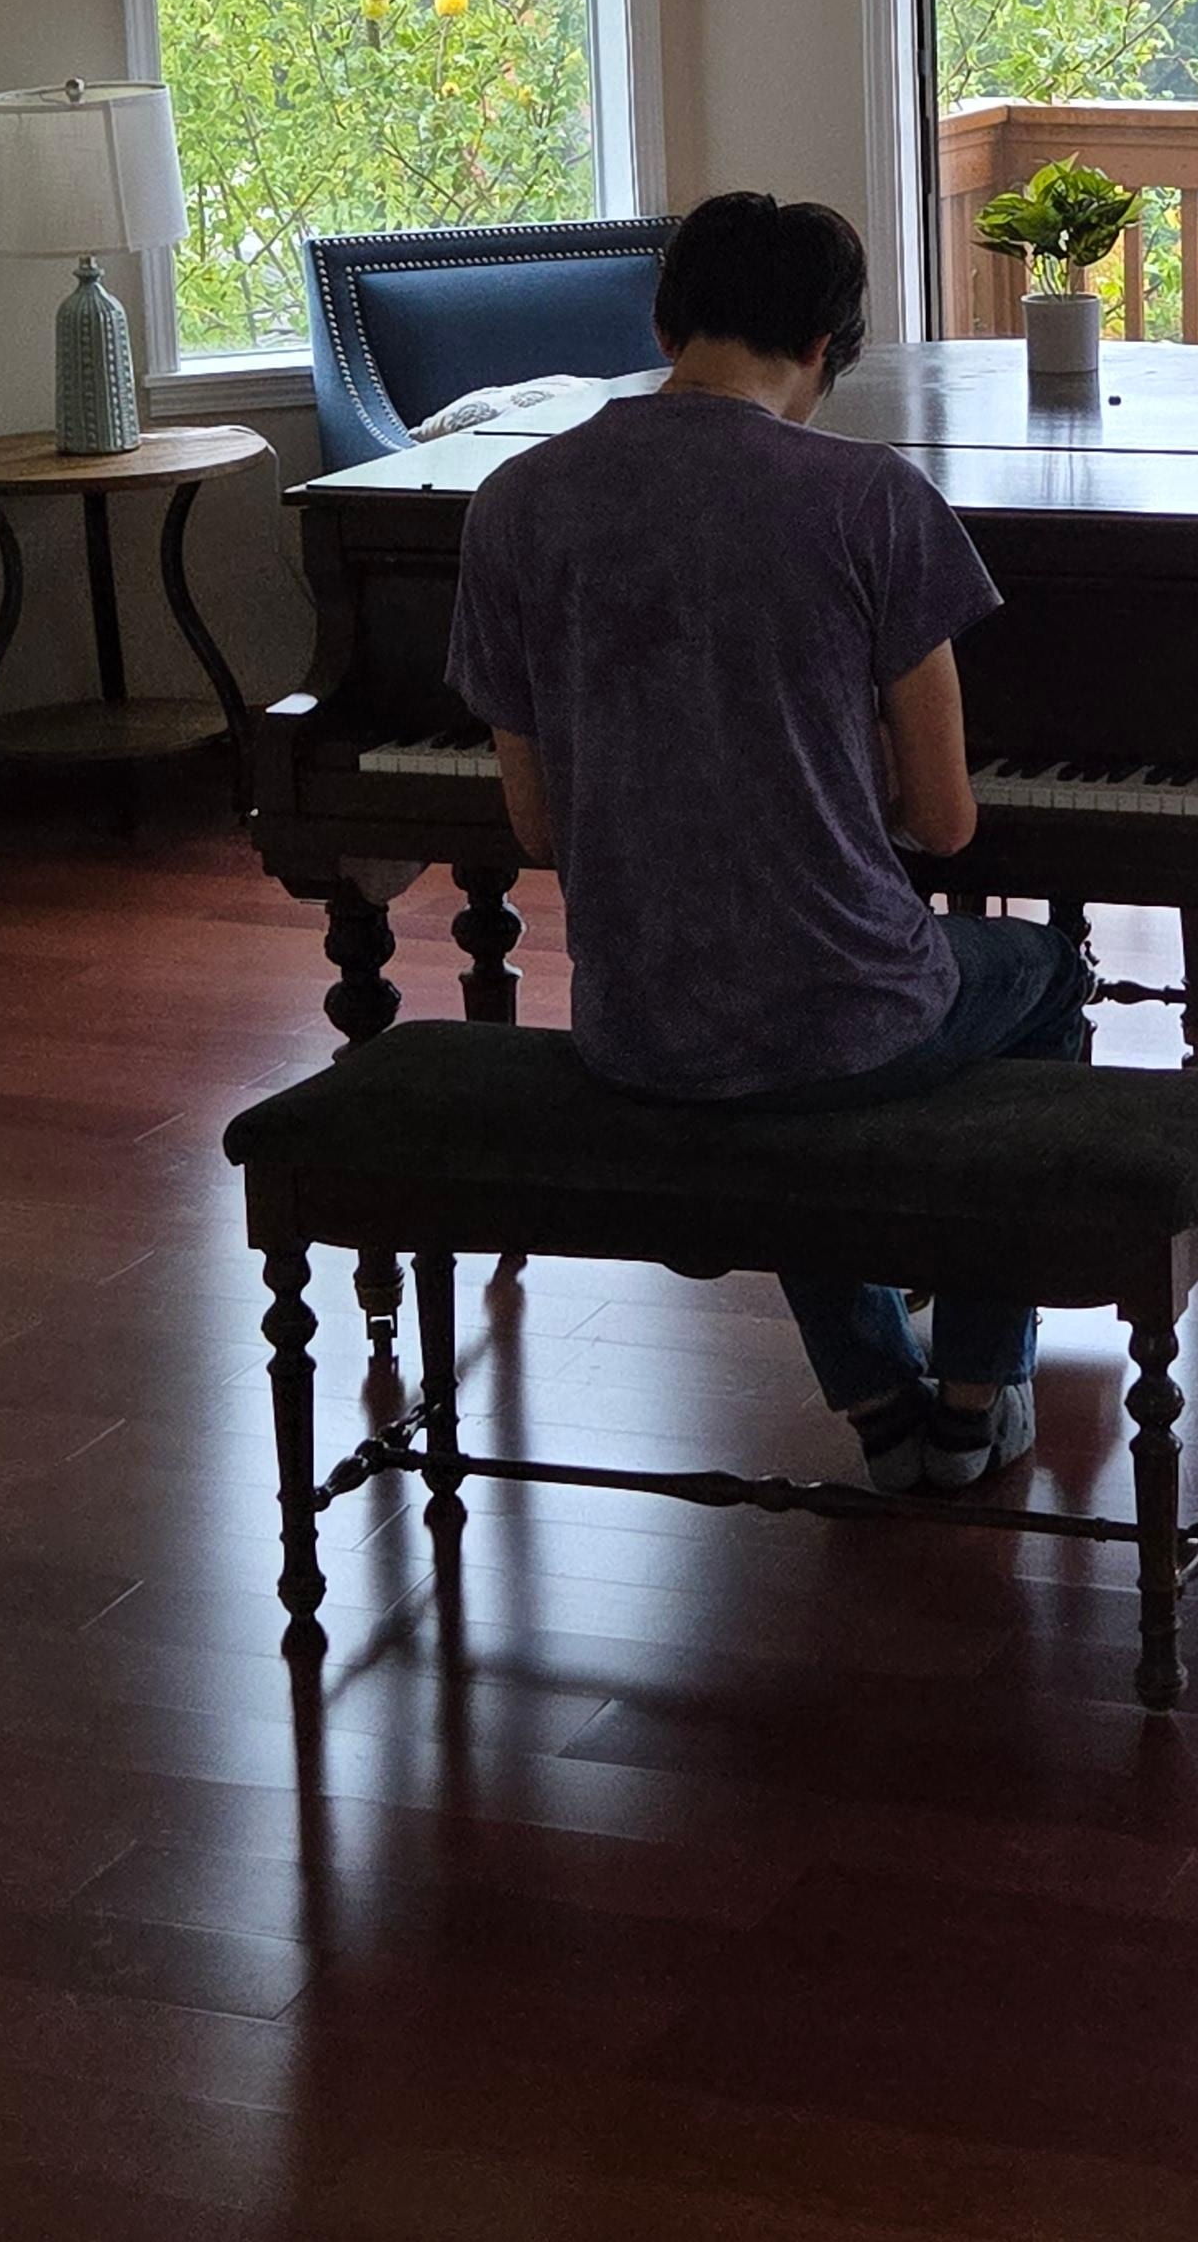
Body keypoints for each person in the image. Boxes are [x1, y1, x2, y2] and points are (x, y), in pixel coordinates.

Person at [442, 190, 1090, 1494]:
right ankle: (977, 1393)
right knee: (1043, 983)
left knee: (773, 1041)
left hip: (635, 1027)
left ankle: (878, 1401)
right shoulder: (867, 496)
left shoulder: (513, 503)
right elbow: (948, 822)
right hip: (839, 1016)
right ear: (822, 348)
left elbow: (536, 824)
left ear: (665, 324)